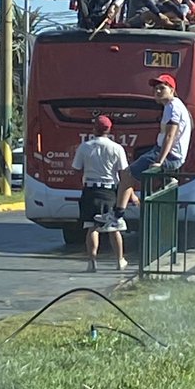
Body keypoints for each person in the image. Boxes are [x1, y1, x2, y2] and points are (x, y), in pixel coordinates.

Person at [95, 74, 192, 232]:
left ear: (172, 90)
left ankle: (117, 217)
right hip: (164, 152)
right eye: (155, 89)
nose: (158, 91)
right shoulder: (175, 106)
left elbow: (170, 135)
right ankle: (168, 179)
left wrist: (160, 161)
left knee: (126, 174)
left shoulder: (172, 106)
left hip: (168, 155)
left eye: (162, 88)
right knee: (129, 174)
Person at [71, 115, 129, 272]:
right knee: (114, 227)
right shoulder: (117, 148)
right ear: (109, 129)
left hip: (90, 190)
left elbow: (76, 169)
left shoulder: (84, 147)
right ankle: (119, 260)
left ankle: (92, 262)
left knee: (91, 226)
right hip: (110, 191)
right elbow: (124, 173)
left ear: (93, 128)